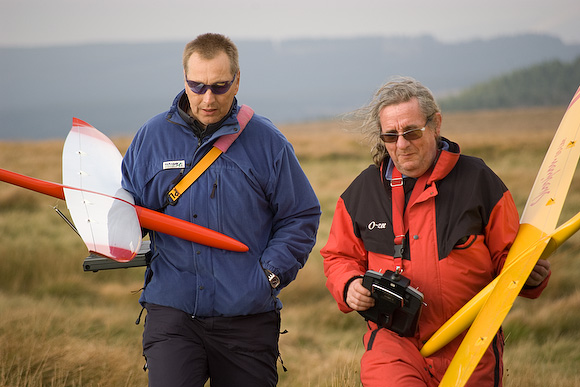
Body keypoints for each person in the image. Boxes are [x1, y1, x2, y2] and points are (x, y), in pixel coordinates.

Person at [321, 76, 551, 386]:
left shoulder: (479, 181)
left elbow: (509, 257)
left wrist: (531, 276)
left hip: (471, 341)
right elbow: (338, 256)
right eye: (390, 136)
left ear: (436, 124)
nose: (401, 145)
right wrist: (348, 285)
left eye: (412, 132)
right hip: (393, 343)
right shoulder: (361, 193)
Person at [121, 33, 321, 387]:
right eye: (197, 86)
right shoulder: (150, 138)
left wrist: (269, 277)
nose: (208, 98)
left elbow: (300, 215)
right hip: (173, 314)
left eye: (219, 86)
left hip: (247, 318)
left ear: (237, 80)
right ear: (184, 79)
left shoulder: (267, 142)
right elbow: (128, 213)